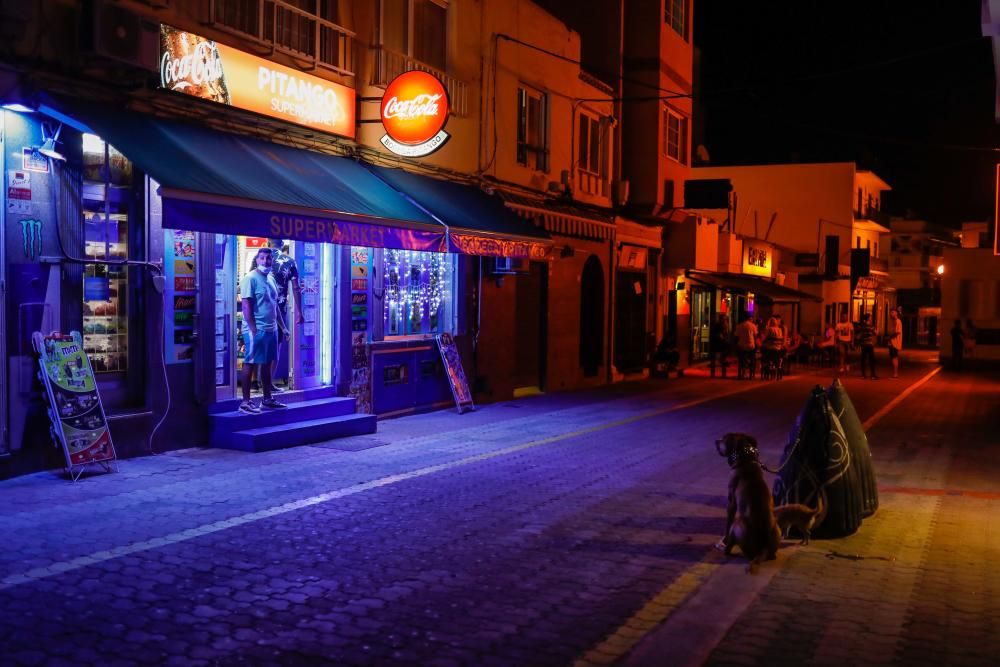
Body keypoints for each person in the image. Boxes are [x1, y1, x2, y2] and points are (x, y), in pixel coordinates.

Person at [239, 247, 286, 414]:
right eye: (262, 258)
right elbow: (246, 305)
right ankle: (245, 402)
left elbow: (275, 306)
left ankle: (267, 399)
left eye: (268, 259)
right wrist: (253, 329)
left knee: (266, 364)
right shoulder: (249, 279)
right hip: (256, 330)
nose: (266, 261)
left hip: (271, 329)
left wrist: (283, 328)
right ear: (257, 260)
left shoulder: (271, 279)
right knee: (250, 363)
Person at [268, 239, 305, 392]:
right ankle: (268, 382)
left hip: (261, 309)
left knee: (261, 346)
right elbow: (296, 288)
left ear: (268, 243)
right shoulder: (290, 262)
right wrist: (300, 312)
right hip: (280, 310)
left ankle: (259, 382)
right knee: (276, 347)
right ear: (282, 245)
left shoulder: (260, 258)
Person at [734, 313, 758, 379]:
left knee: (741, 357)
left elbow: (736, 337)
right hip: (751, 346)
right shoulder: (753, 326)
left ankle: (742, 369)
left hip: (741, 346)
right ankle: (751, 372)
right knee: (752, 356)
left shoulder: (739, 326)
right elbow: (755, 337)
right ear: (750, 318)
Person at [709, 313, 731, 378]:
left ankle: (721, 371)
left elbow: (724, 336)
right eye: (724, 319)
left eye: (725, 319)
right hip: (717, 344)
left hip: (717, 344)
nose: (725, 320)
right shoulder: (719, 326)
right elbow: (719, 336)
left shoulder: (723, 325)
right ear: (721, 319)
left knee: (727, 346)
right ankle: (722, 361)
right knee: (727, 346)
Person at [856, 313, 878, 379]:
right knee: (871, 360)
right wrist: (877, 330)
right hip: (869, 344)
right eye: (870, 317)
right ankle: (873, 375)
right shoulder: (871, 326)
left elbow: (858, 336)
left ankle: (863, 374)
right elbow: (876, 333)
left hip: (863, 344)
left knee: (863, 359)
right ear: (868, 318)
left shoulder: (861, 326)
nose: (871, 318)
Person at [888, 308, 903, 378]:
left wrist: (889, 337)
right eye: (891, 313)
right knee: (893, 358)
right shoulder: (893, 321)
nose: (891, 314)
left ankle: (895, 373)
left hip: (895, 343)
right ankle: (895, 373)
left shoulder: (898, 321)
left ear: (896, 313)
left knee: (894, 358)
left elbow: (897, 332)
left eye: (893, 312)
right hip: (892, 342)